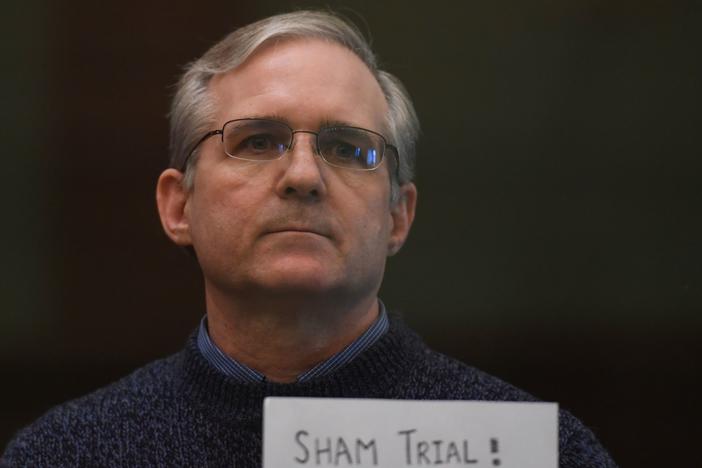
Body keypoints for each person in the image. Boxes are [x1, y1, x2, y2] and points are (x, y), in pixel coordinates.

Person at [1, 10, 616, 467]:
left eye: (349, 149)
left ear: (398, 217)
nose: (302, 176)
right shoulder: (65, 453)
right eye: (258, 141)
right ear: (178, 205)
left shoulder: (545, 453)